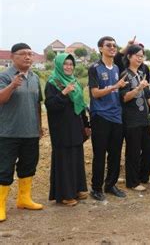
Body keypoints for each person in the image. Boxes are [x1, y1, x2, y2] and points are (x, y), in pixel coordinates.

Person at [0, 43, 44, 222]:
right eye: (23, 54)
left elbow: (37, 104)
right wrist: (12, 85)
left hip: (30, 132)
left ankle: (24, 199)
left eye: (30, 54)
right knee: (4, 169)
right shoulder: (4, 76)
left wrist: (39, 126)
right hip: (8, 132)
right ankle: (0, 205)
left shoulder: (34, 77)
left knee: (28, 166)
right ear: (12, 57)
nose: (28, 57)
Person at [45, 53, 89, 206]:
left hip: (75, 126)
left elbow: (80, 105)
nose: (69, 67)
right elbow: (50, 106)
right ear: (59, 65)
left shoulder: (74, 82)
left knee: (76, 157)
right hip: (61, 128)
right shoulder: (52, 83)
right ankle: (65, 194)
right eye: (65, 64)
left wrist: (86, 124)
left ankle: (77, 189)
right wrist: (63, 93)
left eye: (71, 64)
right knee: (64, 160)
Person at [88, 36, 128, 201]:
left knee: (115, 153)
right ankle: (96, 188)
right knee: (99, 154)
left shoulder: (118, 68)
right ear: (100, 48)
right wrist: (114, 87)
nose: (112, 48)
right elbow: (95, 93)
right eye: (108, 45)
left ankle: (110, 184)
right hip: (100, 116)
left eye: (114, 45)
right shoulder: (95, 68)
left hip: (116, 116)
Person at [120, 45, 150, 191]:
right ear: (129, 56)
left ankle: (144, 176)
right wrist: (138, 88)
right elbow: (124, 97)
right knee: (133, 152)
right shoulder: (125, 75)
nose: (140, 58)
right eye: (137, 55)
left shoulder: (141, 73)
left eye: (142, 56)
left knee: (149, 149)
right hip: (130, 119)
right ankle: (132, 182)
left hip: (143, 118)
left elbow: (147, 93)